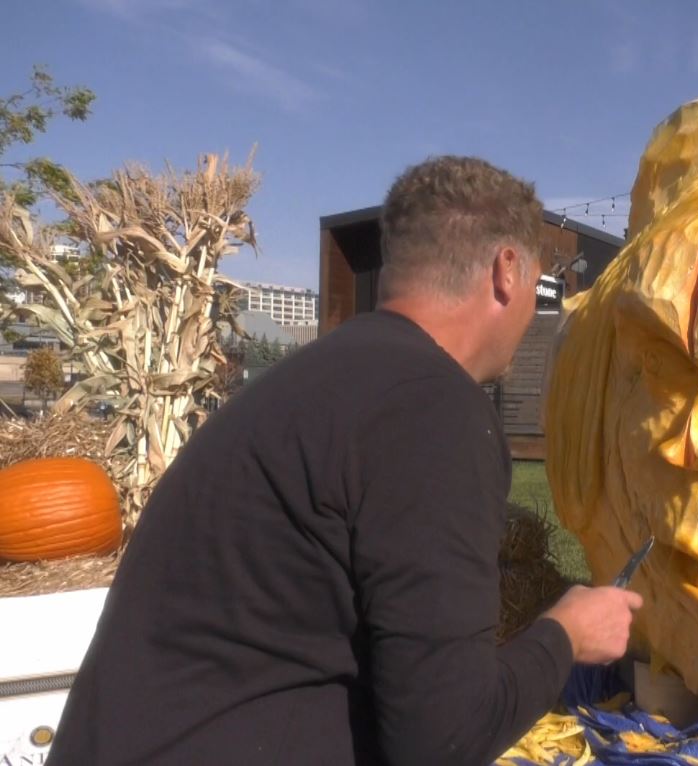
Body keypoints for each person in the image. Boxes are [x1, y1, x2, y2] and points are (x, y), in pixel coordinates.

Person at [47, 156, 642, 765]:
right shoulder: (432, 409)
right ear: (507, 271)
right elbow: (444, 738)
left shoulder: (308, 385)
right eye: (543, 286)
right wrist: (564, 635)